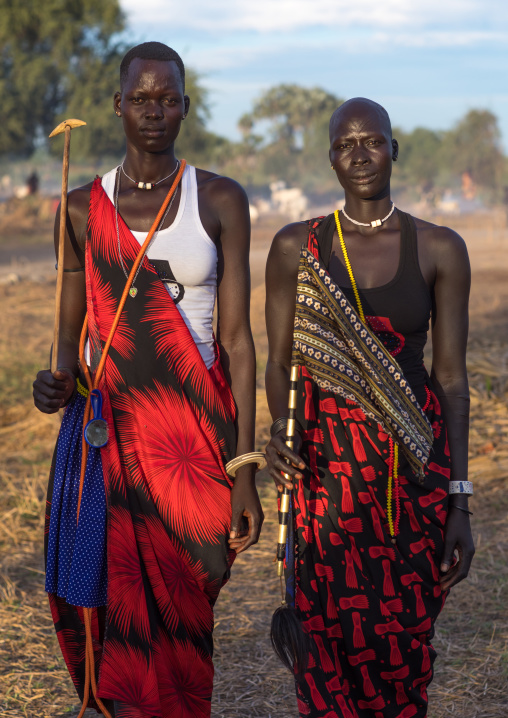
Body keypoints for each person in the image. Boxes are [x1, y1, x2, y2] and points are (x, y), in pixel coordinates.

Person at [32, 42, 263, 718]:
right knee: (118, 599)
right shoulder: (79, 208)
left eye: (167, 99)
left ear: (186, 109)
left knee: (197, 583)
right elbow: (70, 348)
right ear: (118, 105)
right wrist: (54, 386)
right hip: (112, 439)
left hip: (195, 436)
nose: (154, 111)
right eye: (141, 98)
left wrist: (245, 467)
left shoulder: (219, 198)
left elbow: (239, 340)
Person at [265, 97, 475, 718]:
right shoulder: (296, 248)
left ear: (394, 149)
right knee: (325, 642)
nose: (359, 154)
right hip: (324, 473)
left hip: (413, 475)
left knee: (405, 645)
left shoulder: (439, 248)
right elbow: (280, 364)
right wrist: (281, 428)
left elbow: (453, 380)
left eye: (372, 141)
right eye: (344, 144)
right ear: (330, 158)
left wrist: (460, 499)